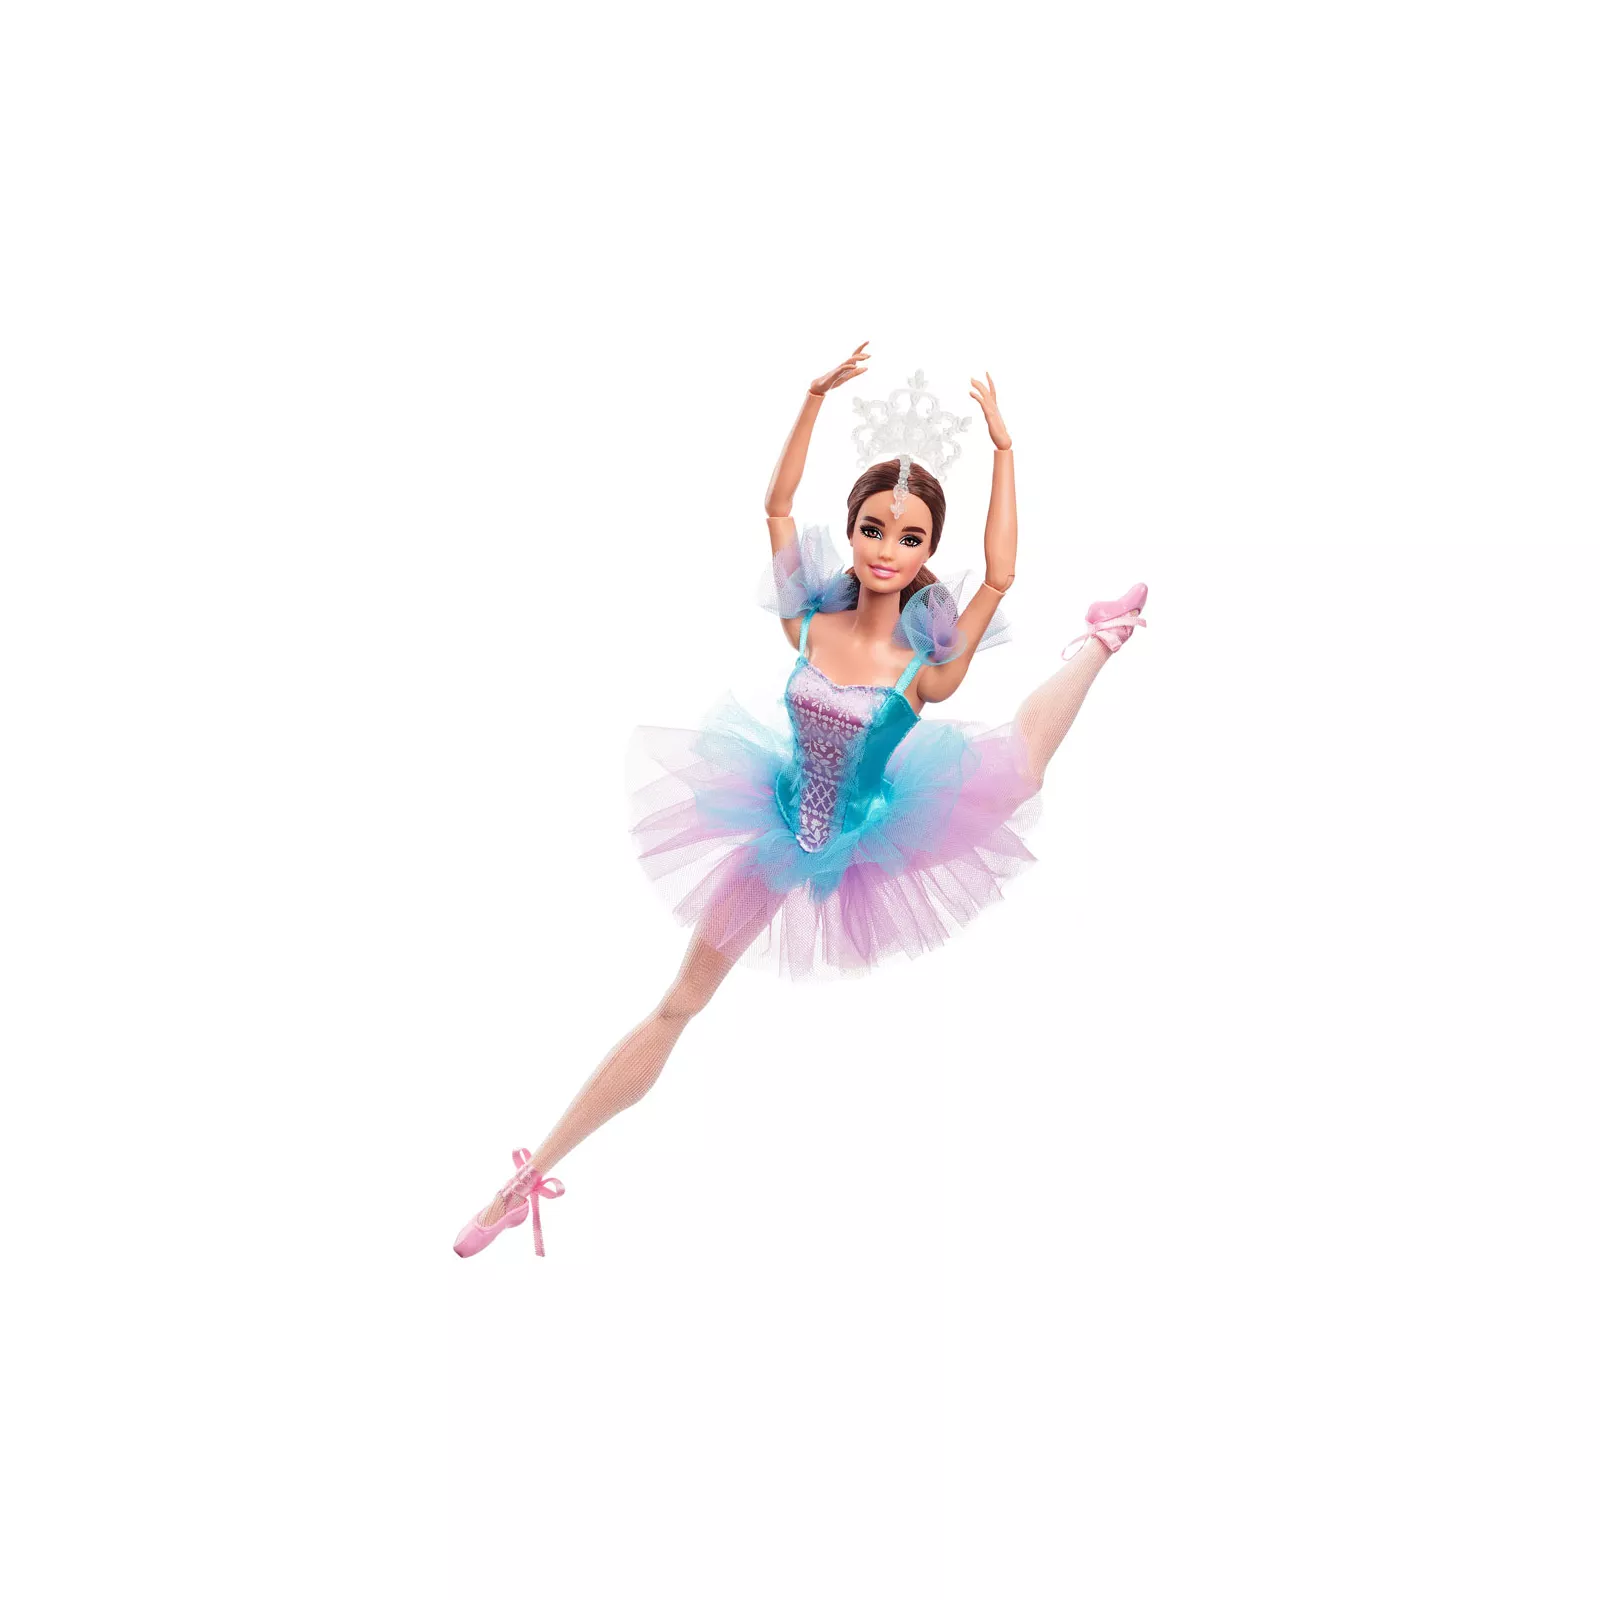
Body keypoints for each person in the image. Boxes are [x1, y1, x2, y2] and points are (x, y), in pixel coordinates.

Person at [454, 343, 1148, 1258]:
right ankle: (522, 1183)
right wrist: (813, 398)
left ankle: (1101, 639)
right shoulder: (809, 620)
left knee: (1020, 765)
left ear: (929, 551)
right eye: (873, 529)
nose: (888, 550)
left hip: (878, 828)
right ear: (850, 532)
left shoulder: (928, 665)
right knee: (679, 1002)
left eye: (910, 538)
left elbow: (1000, 578)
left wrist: (1005, 451)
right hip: (775, 823)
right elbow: (777, 507)